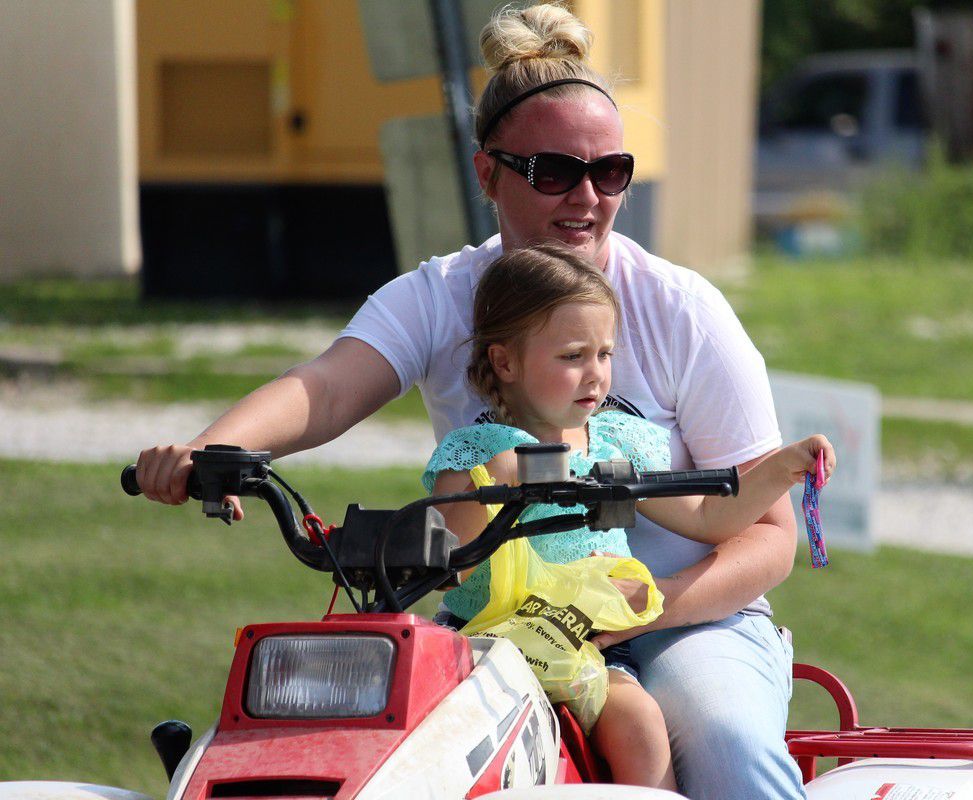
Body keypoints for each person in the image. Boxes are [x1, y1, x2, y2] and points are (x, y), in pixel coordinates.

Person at [136, 5, 808, 797]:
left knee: (731, 753)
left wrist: (637, 614)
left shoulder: (681, 308)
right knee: (383, 752)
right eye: (553, 171)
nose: (586, 197)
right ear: (487, 173)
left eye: (611, 171)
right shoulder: (440, 294)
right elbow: (327, 385)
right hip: (504, 620)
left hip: (686, 622)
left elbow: (770, 534)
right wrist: (213, 451)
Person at [423, 242, 835, 790]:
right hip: (488, 643)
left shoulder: (614, 450)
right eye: (572, 356)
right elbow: (456, 559)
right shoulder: (479, 451)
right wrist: (497, 481)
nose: (595, 374)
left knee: (640, 724)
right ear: (506, 361)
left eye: (605, 354)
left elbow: (710, 515)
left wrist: (781, 469)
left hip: (584, 646)